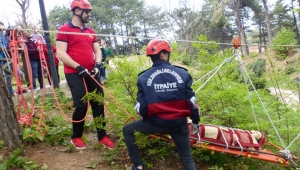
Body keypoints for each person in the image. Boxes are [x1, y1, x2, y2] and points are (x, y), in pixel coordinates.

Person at [123, 39, 200, 170]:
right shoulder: (183, 74)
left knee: (127, 130)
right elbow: (193, 103)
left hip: (156, 123)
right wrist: (195, 121)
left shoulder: (143, 78)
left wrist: (147, 119)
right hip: (179, 125)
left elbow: (142, 108)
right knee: (187, 158)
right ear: (163, 54)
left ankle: (139, 166)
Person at [56, 0, 114, 149]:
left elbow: (97, 51)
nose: (89, 14)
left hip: (90, 71)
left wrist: (98, 64)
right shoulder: (64, 29)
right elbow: (61, 53)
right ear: (76, 11)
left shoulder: (90, 31)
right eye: (86, 11)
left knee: (98, 103)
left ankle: (102, 136)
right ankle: (76, 137)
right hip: (74, 72)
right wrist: (78, 66)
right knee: (81, 104)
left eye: (89, 12)